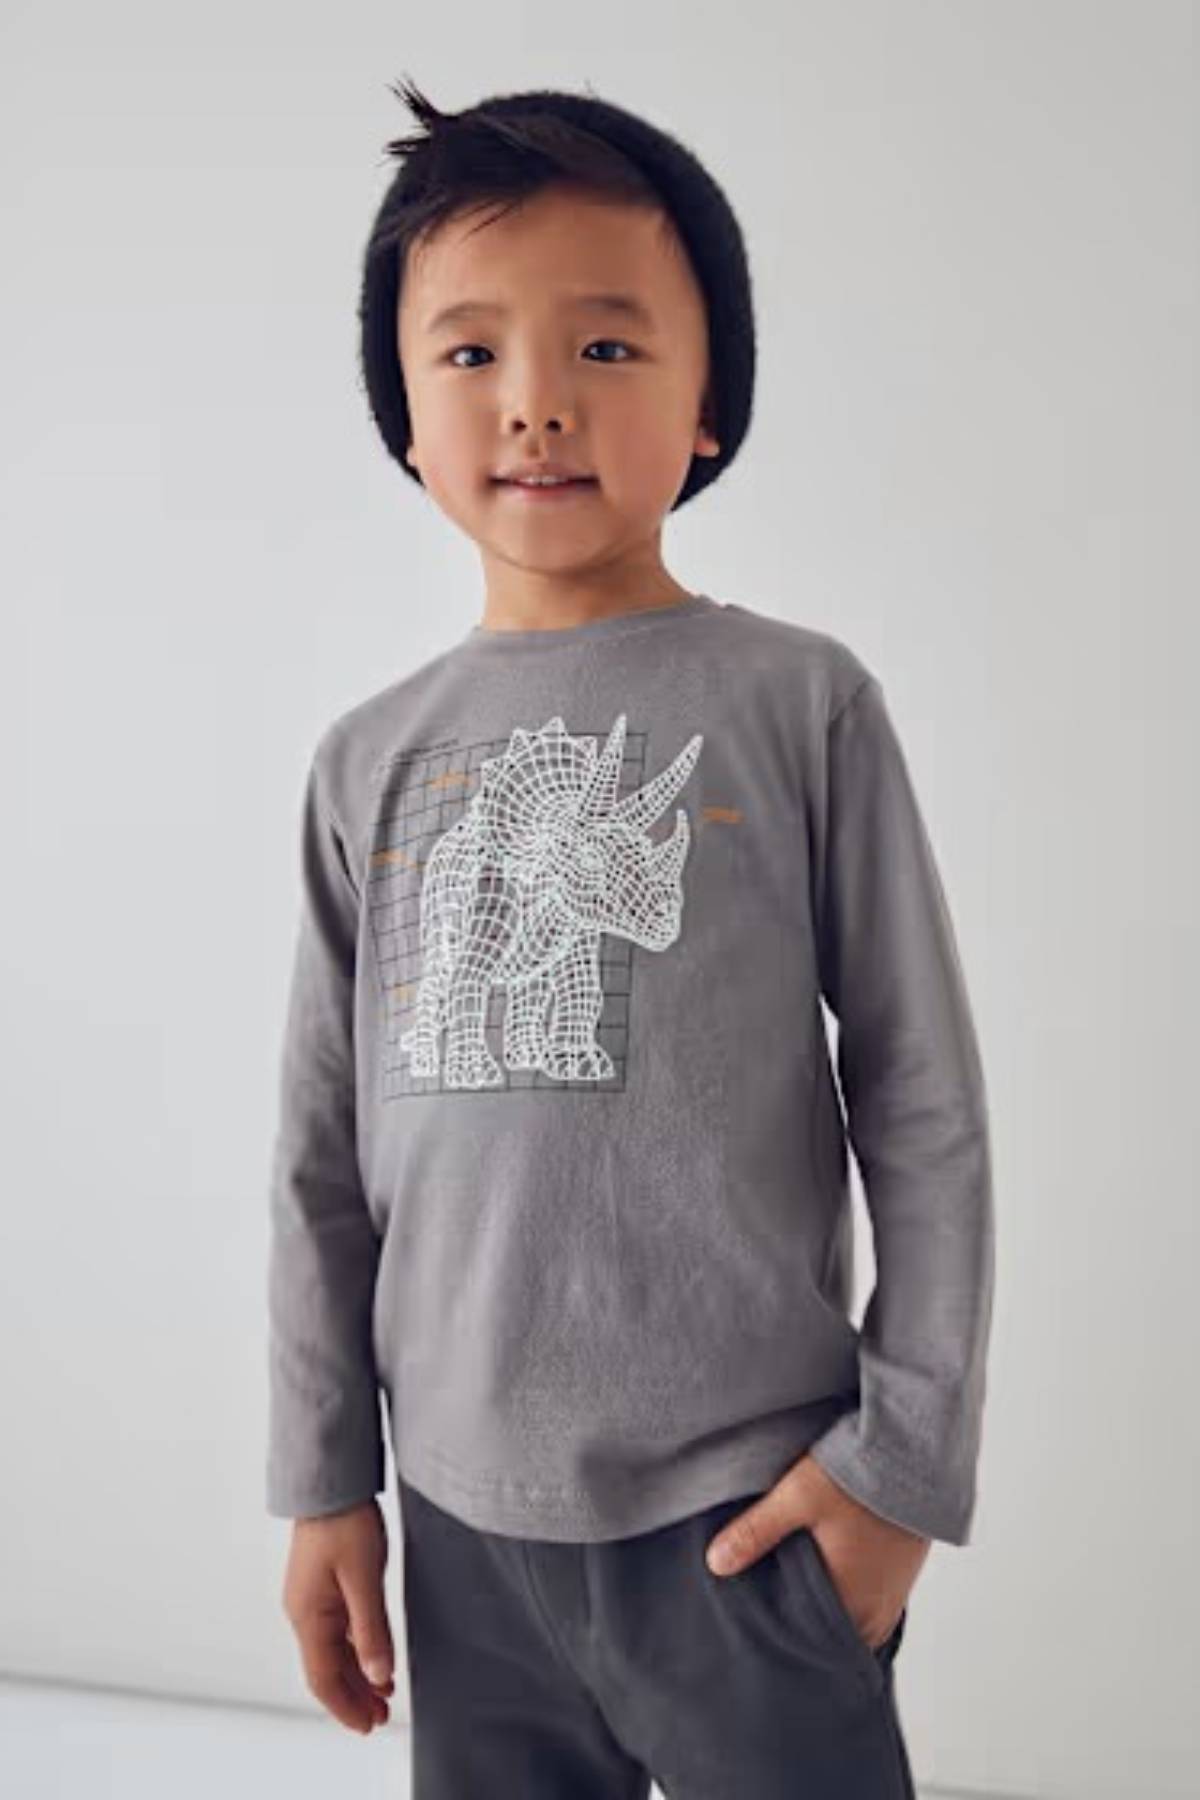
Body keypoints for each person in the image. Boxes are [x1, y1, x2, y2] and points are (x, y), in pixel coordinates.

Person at [267, 76, 995, 1800]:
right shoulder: (366, 760)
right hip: (460, 1525)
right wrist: (323, 1483)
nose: (535, 402)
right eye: (470, 353)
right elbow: (318, 1159)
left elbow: (923, 1103)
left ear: (708, 399)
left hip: (752, 1514)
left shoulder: (798, 704)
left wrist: (903, 1470)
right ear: (404, 414)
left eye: (605, 347)